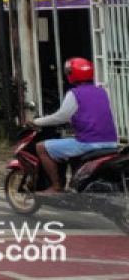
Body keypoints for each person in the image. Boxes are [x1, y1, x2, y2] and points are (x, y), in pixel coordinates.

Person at [31, 56, 119, 193]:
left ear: (71, 75)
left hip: (88, 143)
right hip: (111, 143)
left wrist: (36, 121)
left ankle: (56, 186)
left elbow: (61, 117)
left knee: (41, 147)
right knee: (69, 144)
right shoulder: (102, 92)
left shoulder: (74, 94)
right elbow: (93, 114)